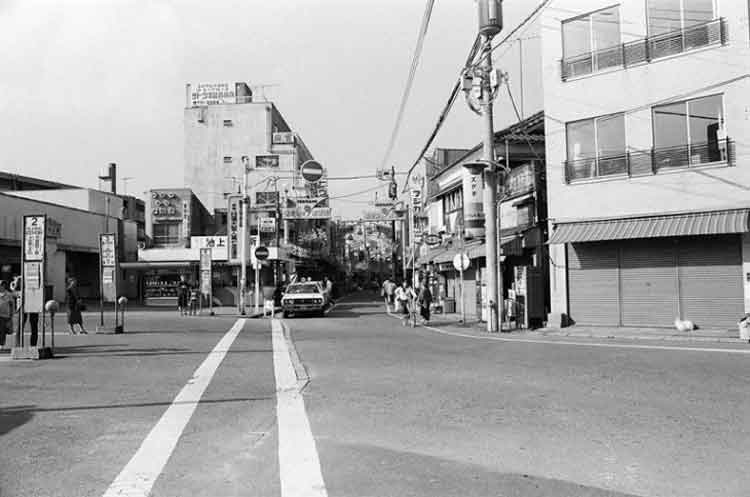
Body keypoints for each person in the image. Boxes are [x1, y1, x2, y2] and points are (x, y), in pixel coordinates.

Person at [0, 281, 14, 350]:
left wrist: (11, 315)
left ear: (4, 286)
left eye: (2, 285)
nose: (1, 286)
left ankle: (1, 345)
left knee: (2, 330)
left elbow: (11, 305)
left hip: (5, 315)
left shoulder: (8, 294)